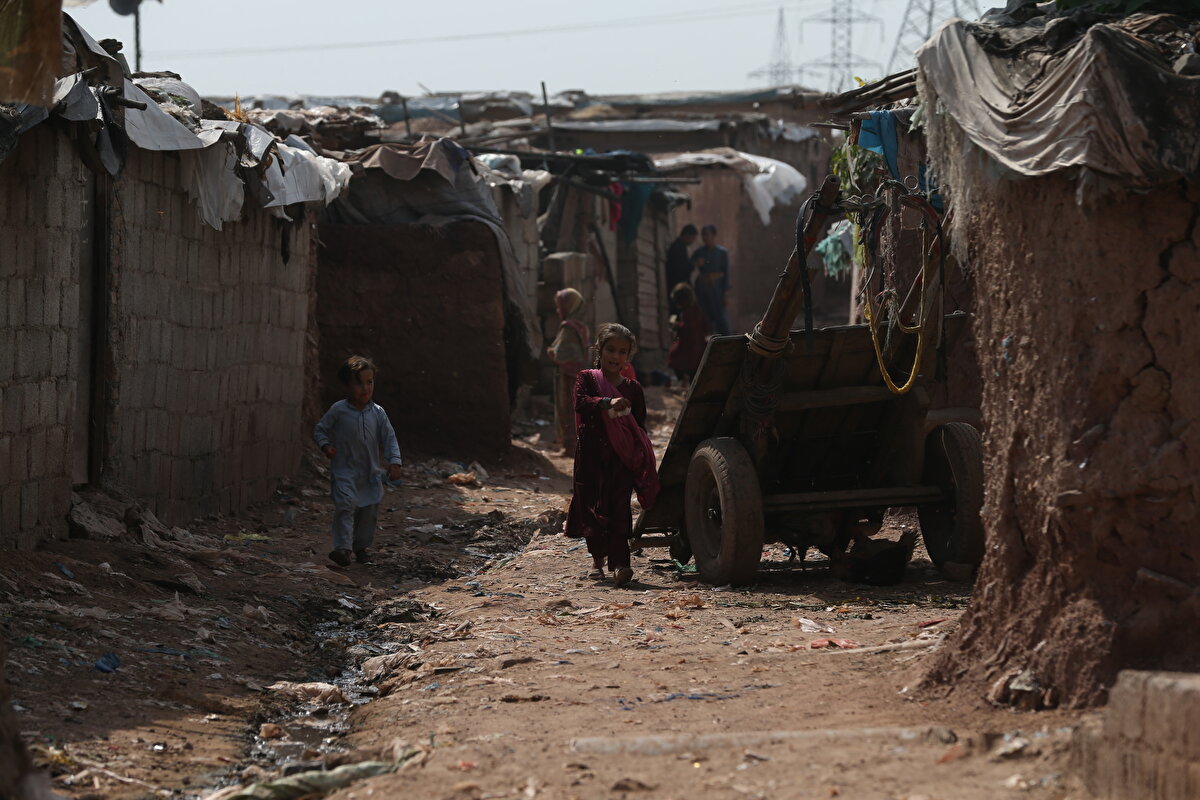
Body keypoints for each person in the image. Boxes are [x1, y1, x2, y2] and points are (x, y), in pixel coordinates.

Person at [566, 323, 660, 587]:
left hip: (621, 458)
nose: (615, 356)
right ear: (599, 349)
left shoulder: (633, 389)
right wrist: (607, 403)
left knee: (619, 508)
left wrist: (639, 457)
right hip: (591, 455)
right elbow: (580, 403)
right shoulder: (587, 379)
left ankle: (621, 563)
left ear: (629, 356)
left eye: (622, 351)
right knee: (592, 506)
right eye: (611, 349)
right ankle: (597, 561)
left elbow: (638, 425)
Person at [314, 355, 402, 567]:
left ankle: (360, 547)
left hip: (370, 473)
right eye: (359, 383)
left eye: (369, 382)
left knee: (367, 512)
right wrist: (326, 446)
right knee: (345, 506)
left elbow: (389, 437)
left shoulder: (378, 413)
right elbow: (320, 430)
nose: (365, 388)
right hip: (344, 471)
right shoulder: (339, 410)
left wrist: (395, 462)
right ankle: (343, 549)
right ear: (347, 385)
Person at [546, 288, 590, 457]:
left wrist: (552, 353)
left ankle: (570, 447)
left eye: (560, 306)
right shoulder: (581, 327)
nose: (558, 311)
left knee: (567, 410)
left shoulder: (568, 327)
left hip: (568, 376)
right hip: (580, 376)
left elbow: (564, 353)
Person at [691, 224, 732, 335]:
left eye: (707, 235)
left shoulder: (722, 253)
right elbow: (690, 265)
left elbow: (726, 273)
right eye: (703, 235)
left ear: (713, 236)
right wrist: (696, 263)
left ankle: (726, 340)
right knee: (705, 316)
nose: (704, 237)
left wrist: (725, 293)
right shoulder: (699, 252)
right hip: (703, 288)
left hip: (717, 287)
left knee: (720, 316)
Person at [667, 282, 709, 386]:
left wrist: (676, 325)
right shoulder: (697, 309)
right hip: (699, 345)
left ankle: (684, 379)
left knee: (674, 356)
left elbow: (688, 328)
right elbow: (705, 326)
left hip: (689, 347)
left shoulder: (688, 312)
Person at [665, 224, 698, 314]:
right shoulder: (678, 248)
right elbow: (681, 269)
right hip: (676, 286)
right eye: (692, 238)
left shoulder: (680, 246)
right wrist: (693, 265)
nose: (692, 242)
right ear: (687, 235)